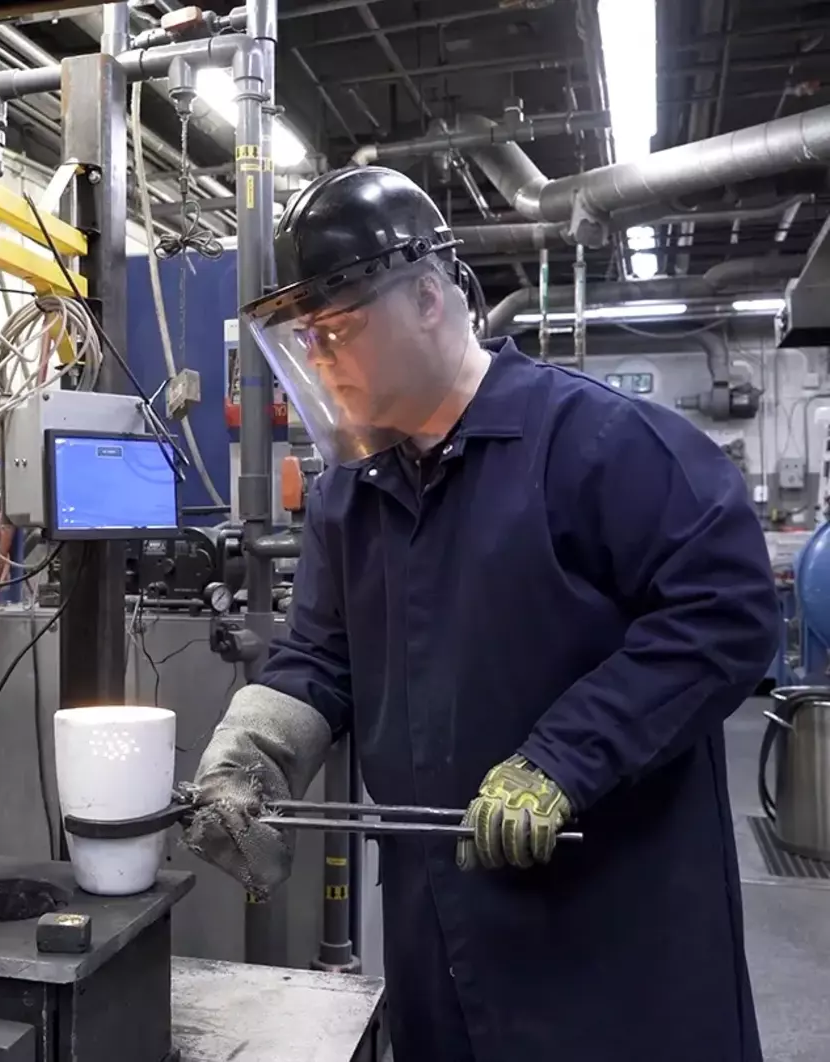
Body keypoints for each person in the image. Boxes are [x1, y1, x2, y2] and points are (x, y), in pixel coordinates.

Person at [183, 165, 778, 1062]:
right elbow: (321, 655)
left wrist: (562, 759)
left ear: (428, 299)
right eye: (305, 340)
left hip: (609, 928)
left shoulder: (601, 444)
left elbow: (724, 613)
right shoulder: (351, 493)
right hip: (442, 926)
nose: (322, 360)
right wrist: (251, 756)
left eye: (337, 331)